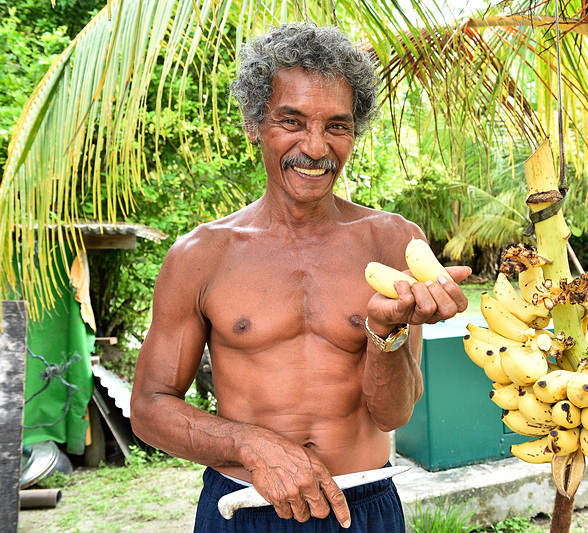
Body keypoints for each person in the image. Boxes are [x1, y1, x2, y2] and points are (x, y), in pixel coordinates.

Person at [130, 21, 470, 533]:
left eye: (336, 126)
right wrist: (249, 443)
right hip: (244, 506)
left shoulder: (393, 241)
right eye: (291, 121)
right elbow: (150, 408)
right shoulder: (201, 255)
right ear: (254, 124)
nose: (315, 148)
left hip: (362, 503)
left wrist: (385, 334)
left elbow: (393, 414)